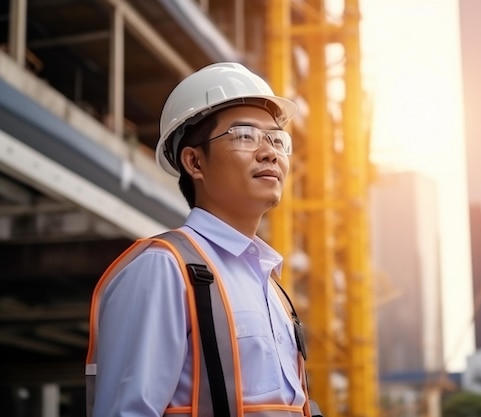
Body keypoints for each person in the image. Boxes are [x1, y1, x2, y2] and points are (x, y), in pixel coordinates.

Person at [86, 62, 321, 417]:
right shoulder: (163, 269)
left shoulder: (273, 289)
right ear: (194, 162)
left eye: (276, 138)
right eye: (245, 135)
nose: (270, 151)